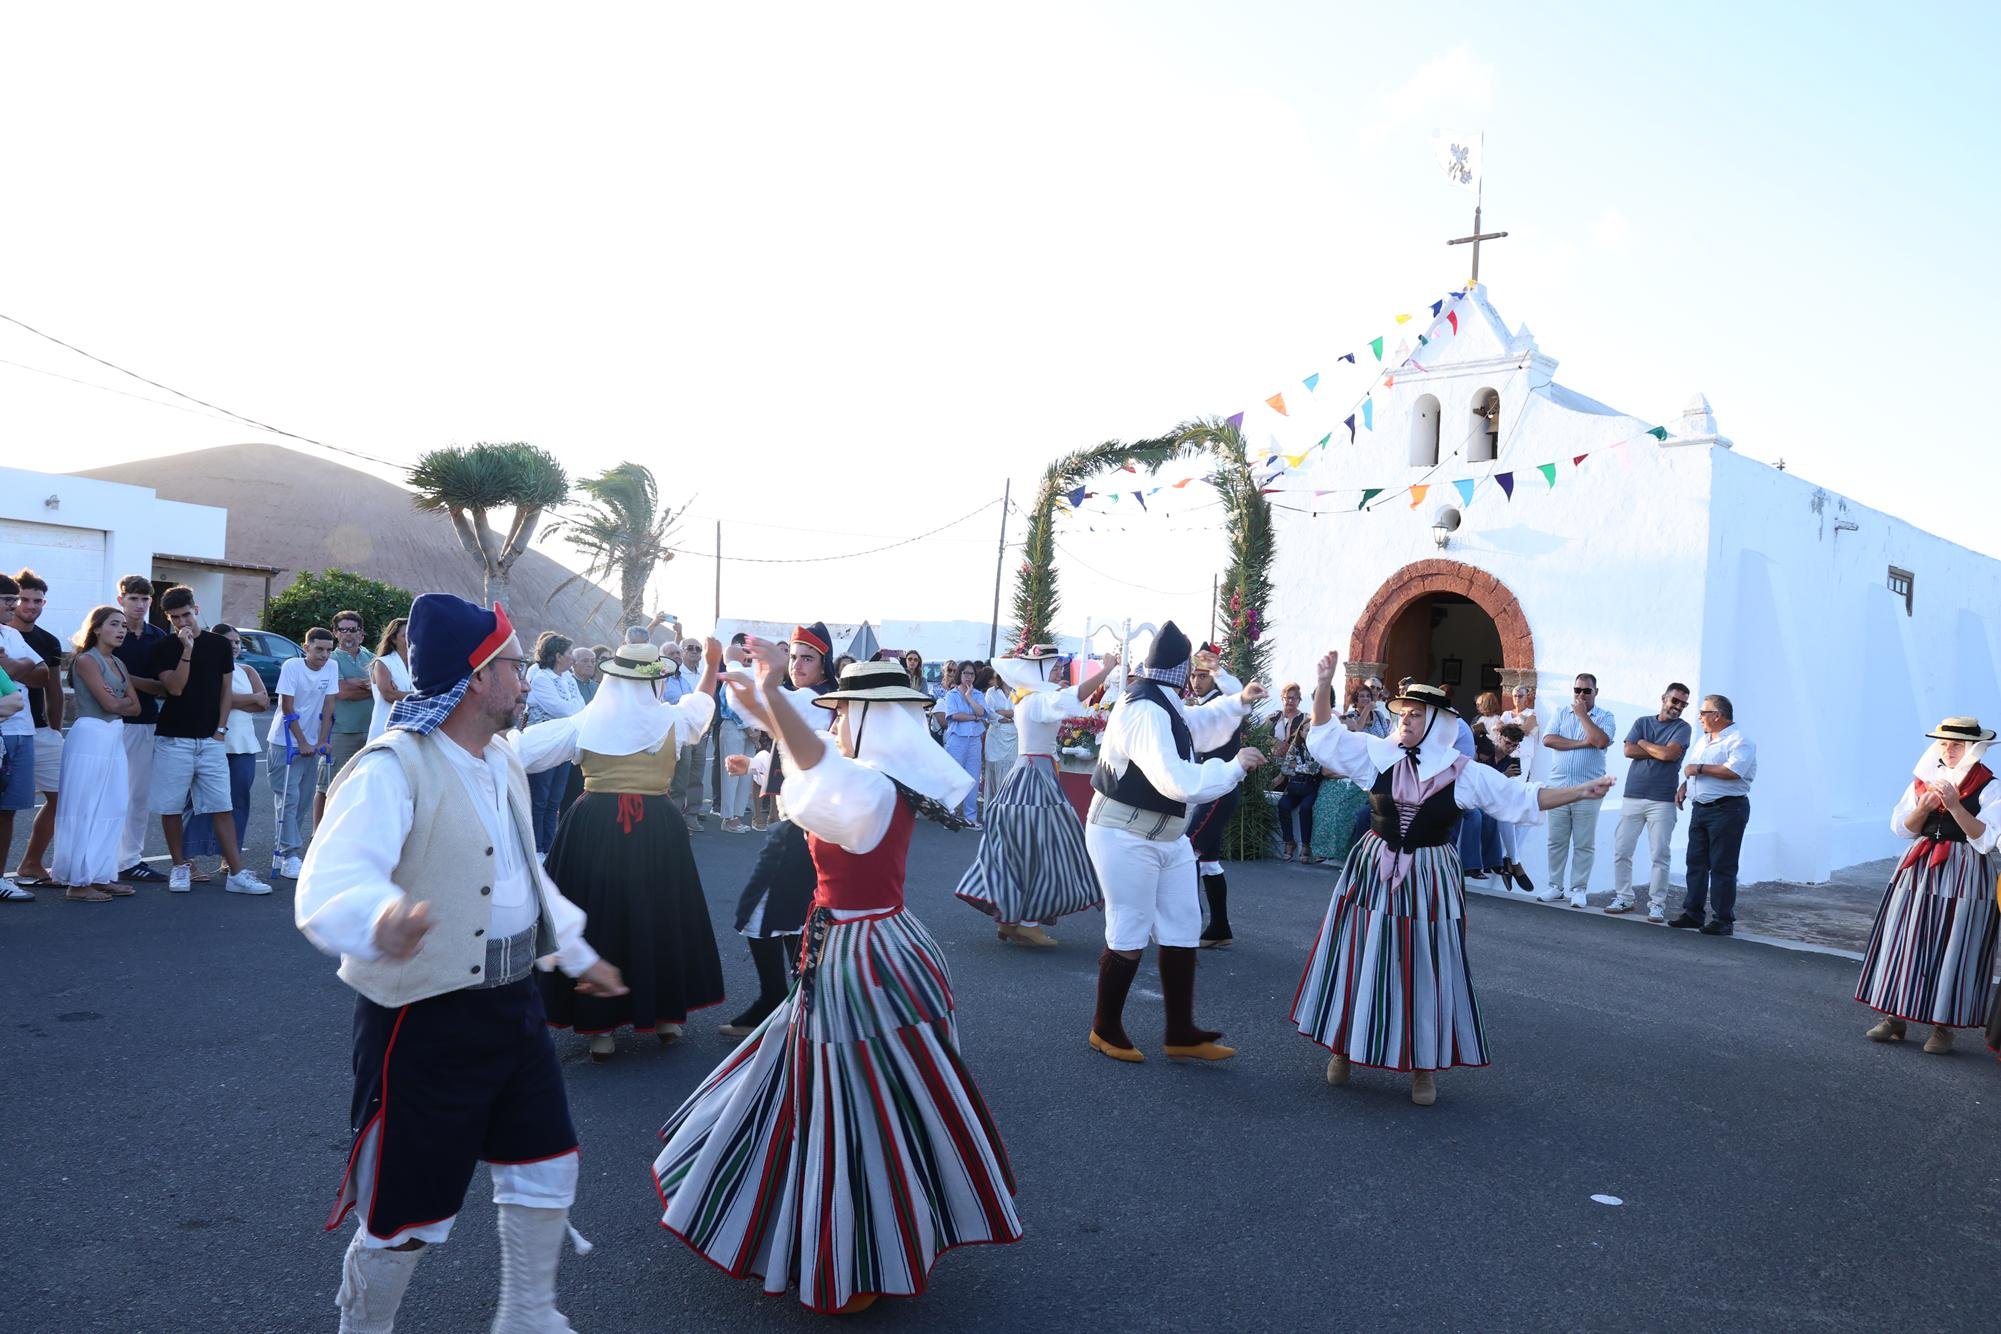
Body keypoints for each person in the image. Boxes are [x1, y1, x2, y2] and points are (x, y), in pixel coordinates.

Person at [653, 648, 1021, 1314]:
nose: (834, 724)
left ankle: (857, 1251)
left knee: (853, 1099)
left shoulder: (869, 784)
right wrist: (762, 702)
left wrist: (769, 697)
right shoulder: (875, 775)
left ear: (863, 717)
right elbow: (813, 758)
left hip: (861, 954)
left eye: (842, 712)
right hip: (867, 943)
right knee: (840, 1085)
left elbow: (818, 767)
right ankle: (856, 1231)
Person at [296, 593, 627, 1334]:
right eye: (514, 667)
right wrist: (379, 917)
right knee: (406, 1212)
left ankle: (528, 1315)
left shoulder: (499, 756)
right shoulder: (394, 767)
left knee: (544, 1167)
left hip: (513, 1005)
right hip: (423, 1018)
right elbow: (328, 881)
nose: (525, 681)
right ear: (477, 678)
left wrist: (575, 952)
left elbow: (526, 875)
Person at [1298, 662, 1615, 1105]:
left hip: (1429, 876)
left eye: (1414, 715)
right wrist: (1323, 685)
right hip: (1373, 868)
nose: (1404, 721)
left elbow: (1520, 799)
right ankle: (1342, 1051)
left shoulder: (1464, 772)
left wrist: (1580, 792)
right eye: (1402, 713)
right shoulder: (1376, 754)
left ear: (1435, 724)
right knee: (1359, 954)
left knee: (1425, 966)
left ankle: (1423, 1070)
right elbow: (1323, 735)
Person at [522, 641, 727, 1061]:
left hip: (595, 824)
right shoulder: (671, 720)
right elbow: (702, 703)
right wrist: (711, 664)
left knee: (598, 914)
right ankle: (666, 1017)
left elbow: (523, 752)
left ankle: (601, 1029)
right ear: (654, 680)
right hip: (657, 826)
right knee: (662, 912)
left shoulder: (585, 722)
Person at [1084, 622, 1265, 1063]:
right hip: (1125, 834)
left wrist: (1237, 702)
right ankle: (1104, 1027)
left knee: (1182, 924)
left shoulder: (1160, 700)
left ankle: (1180, 1032)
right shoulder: (1144, 710)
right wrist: (1234, 767)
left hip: (1165, 836)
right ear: (1182, 668)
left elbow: (1194, 725)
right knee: (1130, 926)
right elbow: (1175, 781)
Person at [717, 621, 838, 1037]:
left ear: (824, 664)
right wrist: (753, 764)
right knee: (793, 916)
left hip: (802, 825)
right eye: (797, 657)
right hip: (806, 821)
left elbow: (774, 714)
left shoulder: (816, 701)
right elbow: (793, 750)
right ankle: (797, 1000)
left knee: (758, 910)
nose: (800, 665)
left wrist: (746, 673)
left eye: (808, 658)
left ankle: (776, 999)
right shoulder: (811, 701)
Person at [1854, 717, 2000, 1054]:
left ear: (1973, 748)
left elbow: (1986, 840)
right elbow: (1903, 829)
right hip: (1918, 867)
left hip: (1965, 870)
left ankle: (1943, 1027)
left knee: (1955, 943)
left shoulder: (1990, 786)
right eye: (1945, 744)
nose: (1949, 750)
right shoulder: (1923, 781)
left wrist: (1954, 806)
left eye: (1957, 745)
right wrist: (1922, 807)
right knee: (1905, 939)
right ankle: (1894, 1016)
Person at [955, 646, 1117, 947]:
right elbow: (1074, 696)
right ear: (1039, 672)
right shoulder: (1038, 700)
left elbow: (1067, 699)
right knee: (1042, 846)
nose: (1058, 672)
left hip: (1026, 772)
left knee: (1017, 846)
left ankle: (1010, 919)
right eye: (1054, 668)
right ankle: (1027, 921)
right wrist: (1106, 670)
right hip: (1036, 775)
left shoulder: (1028, 698)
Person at [146, 587, 270, 895]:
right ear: (168, 617)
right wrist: (186, 650)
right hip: (174, 738)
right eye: (175, 617)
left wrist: (221, 731)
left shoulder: (218, 645)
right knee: (172, 807)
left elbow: (225, 690)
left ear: (196, 609)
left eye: (186, 614)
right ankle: (179, 867)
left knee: (222, 806)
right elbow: (174, 688)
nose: (182, 621)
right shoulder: (164, 647)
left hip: (212, 739)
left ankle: (236, 873)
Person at [53, 606, 138, 901]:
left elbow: (135, 706)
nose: (122, 630)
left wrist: (121, 700)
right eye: (115, 624)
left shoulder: (118, 662)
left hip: (113, 737)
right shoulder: (87, 660)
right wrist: (121, 699)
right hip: (90, 737)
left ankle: (100, 875)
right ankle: (78, 882)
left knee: (112, 807)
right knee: (85, 807)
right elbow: (111, 704)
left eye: (124, 626)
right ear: (97, 628)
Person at [1668, 694, 1757, 936]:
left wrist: (1697, 769)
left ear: (1717, 715)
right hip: (1701, 808)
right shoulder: (1703, 741)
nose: (1699, 717)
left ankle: (1723, 919)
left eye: (1703, 713)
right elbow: (1693, 772)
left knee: (1722, 866)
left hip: (1727, 809)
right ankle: (1693, 913)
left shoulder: (1740, 741)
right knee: (1695, 862)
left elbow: (1733, 771)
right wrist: (1685, 787)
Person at [181, 625, 269, 870]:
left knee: (238, 802)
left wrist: (234, 700)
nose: (234, 646)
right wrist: (244, 699)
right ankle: (187, 860)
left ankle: (229, 858)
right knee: (198, 802)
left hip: (243, 747)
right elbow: (215, 699)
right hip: (211, 744)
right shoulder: (206, 669)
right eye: (228, 641)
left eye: (238, 642)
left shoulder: (247, 670)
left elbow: (263, 703)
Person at [1607, 682, 1692, 920]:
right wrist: (1653, 748)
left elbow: (1669, 754)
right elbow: (1627, 751)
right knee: (1622, 850)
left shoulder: (1683, 728)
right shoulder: (1642, 722)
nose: (1678, 707)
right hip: (1633, 794)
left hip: (1663, 800)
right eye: (1675, 701)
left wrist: (1642, 743)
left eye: (1683, 704)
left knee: (1660, 855)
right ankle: (1624, 897)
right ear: (1663, 698)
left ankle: (1657, 903)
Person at [1185, 646, 1251, 949]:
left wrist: (1218, 670)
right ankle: (1219, 928)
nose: (1197, 681)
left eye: (1203, 676)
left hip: (1219, 791)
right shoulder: (1200, 704)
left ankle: (1185, 926)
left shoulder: (1224, 702)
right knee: (1209, 861)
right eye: (1194, 675)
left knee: (1186, 854)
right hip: (1210, 789)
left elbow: (1238, 694)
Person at [7, 569, 68, 889]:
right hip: (8, 729)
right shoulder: (6, 633)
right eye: (24, 599)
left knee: (63, 797)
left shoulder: (46, 640)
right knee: (8, 806)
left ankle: (31, 863)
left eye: (37, 600)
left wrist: (55, 729)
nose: (30, 606)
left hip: (40, 731)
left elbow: (52, 687)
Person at [110, 575, 170, 884]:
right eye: (133, 598)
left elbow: (163, 687)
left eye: (145, 599)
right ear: (121, 599)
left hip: (145, 723)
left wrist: (122, 676)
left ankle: (130, 860)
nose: (140, 604)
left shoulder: (158, 636)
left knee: (137, 796)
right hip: (107, 724)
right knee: (106, 794)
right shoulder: (110, 631)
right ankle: (103, 859)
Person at [1538, 672, 1614, 908]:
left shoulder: (1605, 716)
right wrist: (1582, 743)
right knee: (1556, 840)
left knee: (1583, 842)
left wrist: (1582, 716)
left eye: (1586, 691)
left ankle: (1579, 889)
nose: (1581, 695)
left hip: (1589, 789)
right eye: (1577, 690)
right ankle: (1555, 886)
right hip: (1559, 787)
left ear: (1596, 692)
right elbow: (1549, 739)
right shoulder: (1561, 713)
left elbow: (1600, 741)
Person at [268, 627, 339, 879]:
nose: (324, 655)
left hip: (312, 742)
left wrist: (322, 740)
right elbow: (287, 707)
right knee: (288, 799)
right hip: (285, 741)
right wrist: (302, 742)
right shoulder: (292, 666)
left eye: (329, 650)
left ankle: (290, 852)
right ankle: (290, 854)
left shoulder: (331, 667)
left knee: (303, 800)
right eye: (319, 649)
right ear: (306, 647)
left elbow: (329, 706)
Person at [0, 575, 45, 892]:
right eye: (7, 601)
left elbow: (39, 673)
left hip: (22, 733)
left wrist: (17, 662)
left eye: (15, 600)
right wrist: (19, 665)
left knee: (7, 812)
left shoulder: (11, 634)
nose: (14, 607)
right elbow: (14, 676)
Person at [320, 610, 375, 806]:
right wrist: (370, 685)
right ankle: (318, 833)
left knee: (362, 786)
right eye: (342, 630)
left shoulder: (372, 657)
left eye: (352, 630)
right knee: (330, 787)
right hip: (341, 731)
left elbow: (385, 688)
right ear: (335, 632)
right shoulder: (331, 660)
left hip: (370, 731)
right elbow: (343, 693)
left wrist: (357, 683)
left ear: (361, 632)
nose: (348, 634)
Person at [937, 660, 989, 826]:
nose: (968, 677)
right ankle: (949, 813)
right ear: (960, 674)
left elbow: (983, 712)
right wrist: (974, 717)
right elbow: (953, 715)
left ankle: (970, 817)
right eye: (966, 673)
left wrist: (969, 697)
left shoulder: (978, 695)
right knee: (953, 776)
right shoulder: (951, 695)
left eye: (972, 674)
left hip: (974, 740)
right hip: (956, 739)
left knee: (973, 778)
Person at [714, 634, 754, 834]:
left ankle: (737, 817)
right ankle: (727, 818)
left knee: (746, 775)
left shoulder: (752, 677)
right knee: (731, 775)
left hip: (751, 732)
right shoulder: (732, 676)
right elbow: (730, 705)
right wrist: (749, 728)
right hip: (733, 727)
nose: (747, 658)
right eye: (743, 654)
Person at [367, 618, 412, 742]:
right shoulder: (383, 662)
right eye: (405, 635)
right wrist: (421, 695)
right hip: (384, 729)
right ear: (393, 639)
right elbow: (389, 695)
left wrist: (402, 694)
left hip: (412, 728)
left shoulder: (421, 664)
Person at [980, 660, 1017, 807]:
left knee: (1011, 776)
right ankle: (993, 811)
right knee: (994, 776)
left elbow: (1021, 713)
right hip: (996, 738)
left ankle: (1008, 812)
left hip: (1015, 737)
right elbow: (990, 714)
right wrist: (1009, 716)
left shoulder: (1020, 692)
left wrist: (1005, 713)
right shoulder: (991, 692)